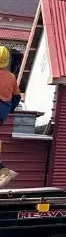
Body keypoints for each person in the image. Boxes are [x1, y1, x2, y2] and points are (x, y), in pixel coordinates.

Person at [0, 46, 20, 187]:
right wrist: (9, 110)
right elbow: (17, 97)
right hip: (2, 110)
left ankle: (2, 170)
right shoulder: (11, 77)